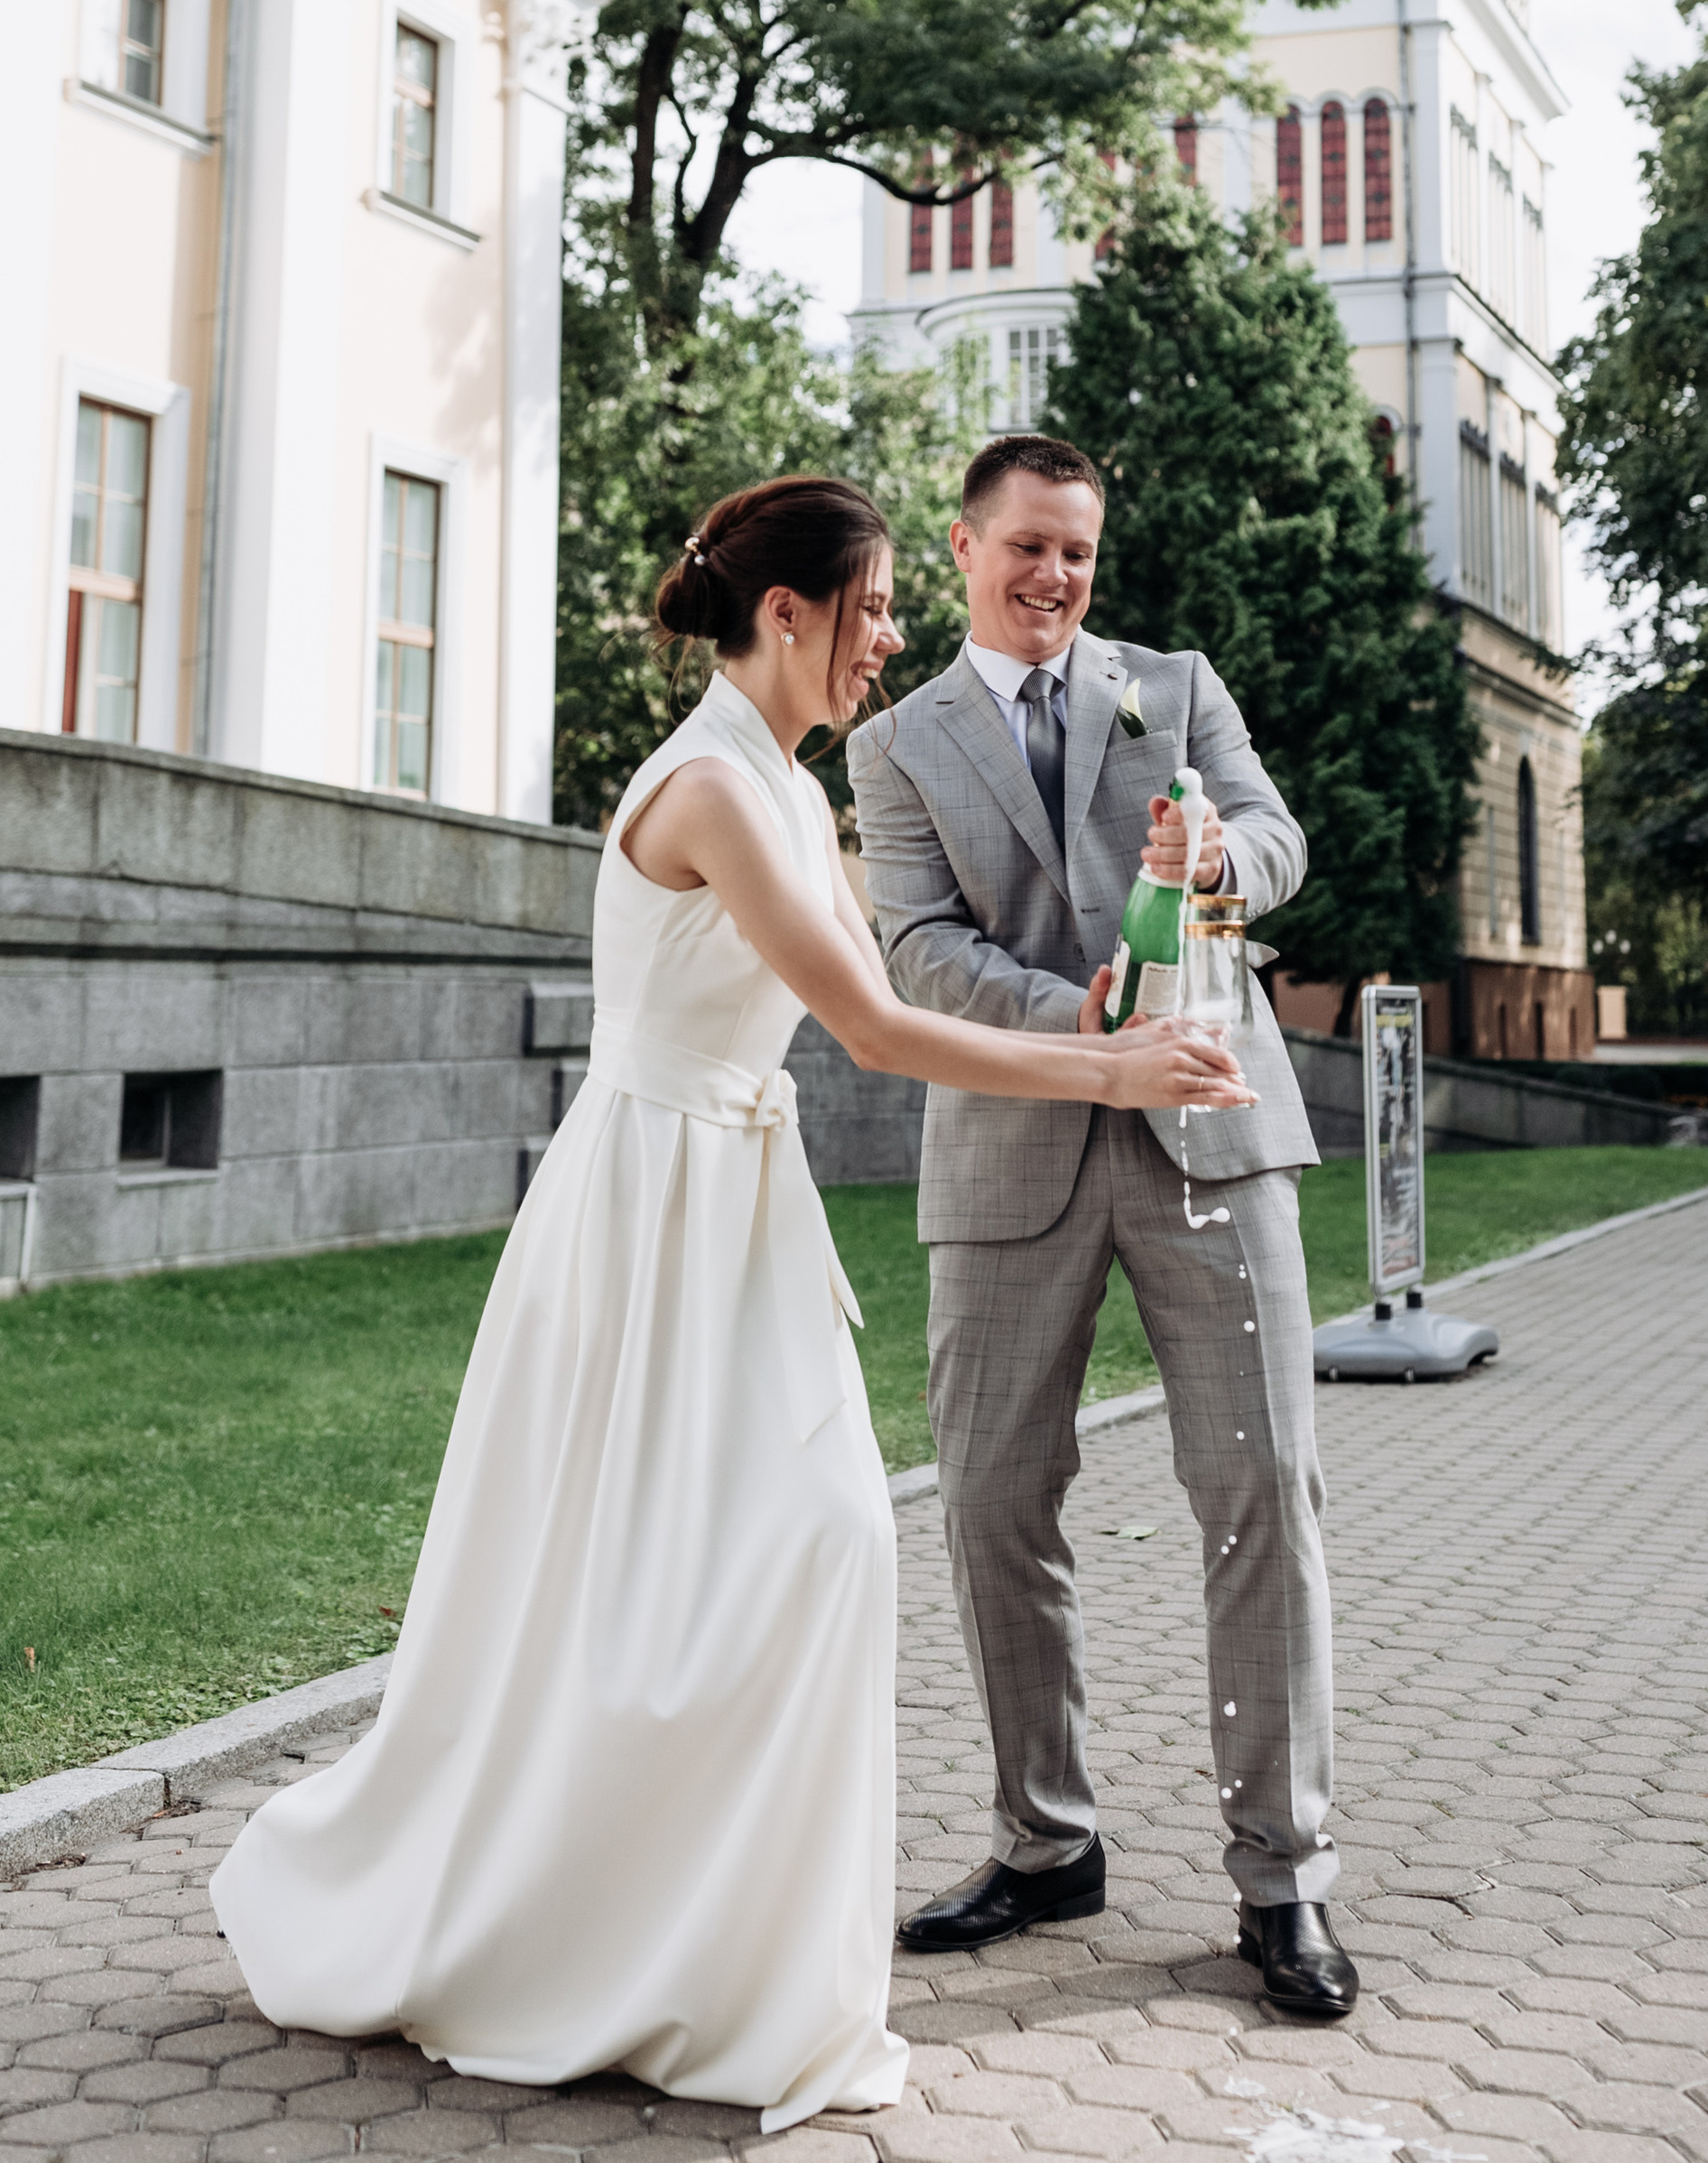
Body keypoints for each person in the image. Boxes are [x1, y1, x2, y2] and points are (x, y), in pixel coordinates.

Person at [210, 476, 1245, 2137]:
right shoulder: (712, 790)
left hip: (739, 1210)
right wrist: (1106, 1067)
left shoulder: (785, 785)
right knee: (664, 1577)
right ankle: (611, 1942)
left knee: (805, 1553)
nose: (895, 636)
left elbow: (914, 973)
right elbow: (877, 1035)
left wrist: (1118, 977)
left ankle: (711, 1950)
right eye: (879, 604)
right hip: (649, 1211)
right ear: (789, 613)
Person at [849, 432, 1359, 2020]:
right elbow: (917, 948)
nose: (1057, 578)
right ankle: (1045, 1838)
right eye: (1029, 549)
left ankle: (1284, 1878)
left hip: (1212, 1122)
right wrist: (1079, 1022)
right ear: (964, 548)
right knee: (995, 1505)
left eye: (1078, 552)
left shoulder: (1178, 685)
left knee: (1263, 1488)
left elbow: (1279, 839)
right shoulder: (896, 742)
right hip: (1011, 1150)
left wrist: (1224, 859)